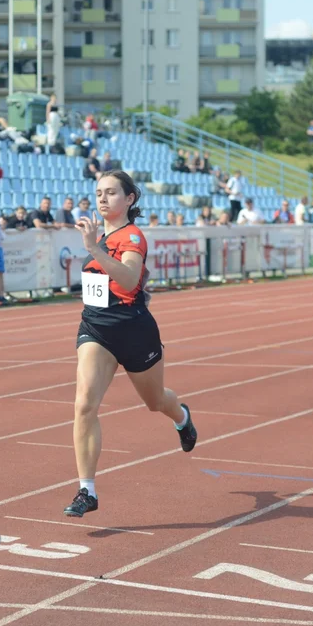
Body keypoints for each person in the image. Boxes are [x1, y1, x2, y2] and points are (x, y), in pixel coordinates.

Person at [64, 171, 197, 517]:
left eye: (111, 192)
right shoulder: (97, 233)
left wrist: (94, 248)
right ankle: (86, 490)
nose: (103, 199)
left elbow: (128, 278)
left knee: (156, 401)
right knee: (84, 405)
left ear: (130, 199)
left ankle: (182, 417)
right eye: (98, 193)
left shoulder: (132, 236)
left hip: (134, 329)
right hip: (95, 328)